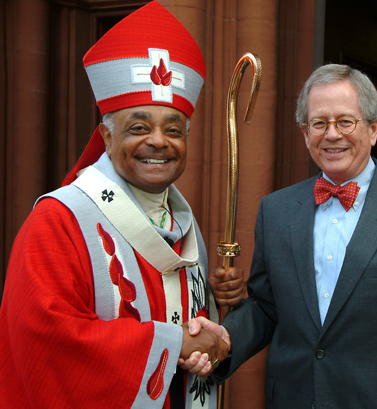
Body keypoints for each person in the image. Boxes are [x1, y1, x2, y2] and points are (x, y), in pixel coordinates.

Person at [0, 2, 245, 408]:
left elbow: (192, 332)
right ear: (106, 137)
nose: (158, 142)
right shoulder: (58, 221)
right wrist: (175, 343)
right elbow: (45, 341)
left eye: (174, 130)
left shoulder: (186, 226)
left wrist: (215, 322)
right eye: (138, 127)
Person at [186, 64, 377, 408]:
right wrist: (227, 337)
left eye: (345, 121)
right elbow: (266, 306)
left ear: (373, 128)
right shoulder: (276, 210)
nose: (332, 134)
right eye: (319, 123)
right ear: (306, 133)